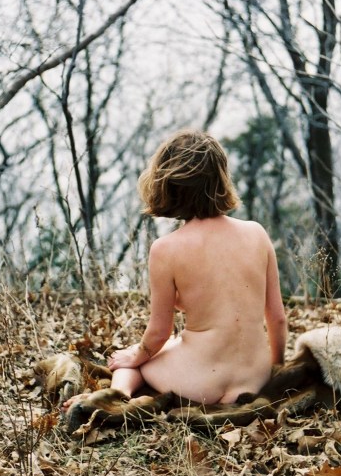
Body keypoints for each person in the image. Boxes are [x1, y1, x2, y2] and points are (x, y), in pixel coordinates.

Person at [66, 129, 287, 407]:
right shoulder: (257, 233)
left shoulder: (166, 248)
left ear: (167, 185)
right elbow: (277, 318)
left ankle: (117, 396)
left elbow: (159, 332)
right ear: (221, 178)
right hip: (254, 378)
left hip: (201, 382)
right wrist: (276, 369)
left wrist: (136, 355)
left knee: (131, 362)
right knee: (170, 347)